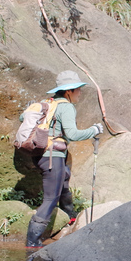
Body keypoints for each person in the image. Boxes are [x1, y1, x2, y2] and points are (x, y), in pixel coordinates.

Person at [25, 70, 103, 249]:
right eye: (78, 90)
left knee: (64, 179)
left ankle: (71, 216)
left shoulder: (47, 103)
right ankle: (32, 242)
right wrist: (94, 130)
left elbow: (24, 117)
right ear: (68, 91)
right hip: (53, 156)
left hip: (41, 154)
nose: (80, 93)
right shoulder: (66, 107)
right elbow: (73, 134)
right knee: (51, 198)